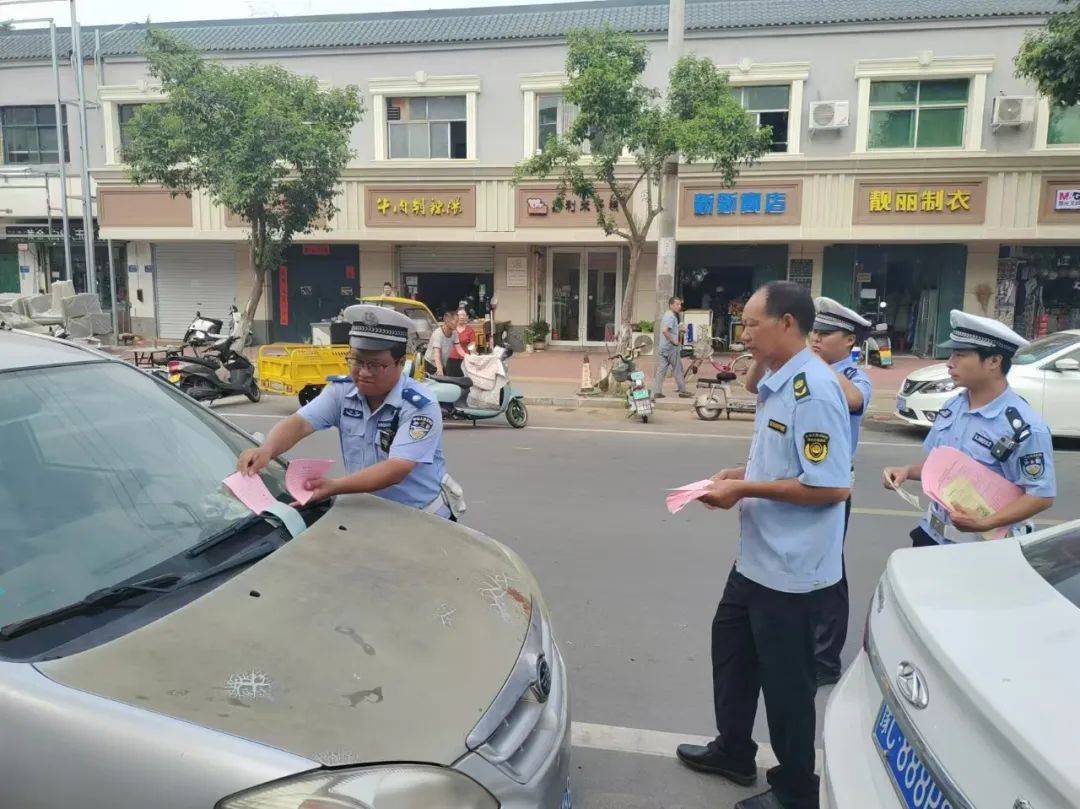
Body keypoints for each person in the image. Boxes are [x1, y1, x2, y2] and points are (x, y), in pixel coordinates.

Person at [676, 281, 851, 809]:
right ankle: (733, 751)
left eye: (753, 324)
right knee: (731, 655)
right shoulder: (781, 378)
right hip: (756, 559)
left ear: (789, 325)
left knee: (787, 687)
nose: (743, 333)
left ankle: (796, 789)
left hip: (792, 573)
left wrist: (744, 488)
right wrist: (740, 472)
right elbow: (781, 456)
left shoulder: (815, 391)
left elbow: (830, 486)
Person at [236, 305, 458, 519]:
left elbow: (397, 469)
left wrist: (334, 487)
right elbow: (300, 423)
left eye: (374, 365)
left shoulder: (420, 405)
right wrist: (266, 450)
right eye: (356, 361)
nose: (362, 372)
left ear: (400, 363)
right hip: (370, 514)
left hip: (420, 517)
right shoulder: (342, 392)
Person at [883, 310, 1055, 546]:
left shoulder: (1024, 426)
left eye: (961, 355)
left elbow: (1041, 496)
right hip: (933, 536)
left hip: (983, 548)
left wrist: (988, 522)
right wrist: (906, 472)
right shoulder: (954, 406)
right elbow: (945, 468)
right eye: (952, 353)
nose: (949, 363)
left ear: (994, 361)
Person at [807, 297, 872, 688]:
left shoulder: (855, 375)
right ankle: (806, 649)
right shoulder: (810, 370)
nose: (815, 339)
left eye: (824, 333)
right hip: (803, 484)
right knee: (807, 567)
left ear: (848, 340)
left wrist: (817, 363)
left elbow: (855, 400)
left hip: (832, 489)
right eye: (813, 332)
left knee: (829, 574)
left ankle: (825, 659)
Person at [653, 296, 692, 399]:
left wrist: (679, 330)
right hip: (671, 348)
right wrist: (674, 341)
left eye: (680, 304)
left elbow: (669, 330)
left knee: (661, 370)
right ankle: (682, 391)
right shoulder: (671, 316)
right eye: (677, 304)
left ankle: (657, 392)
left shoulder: (668, 314)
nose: (679, 306)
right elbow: (665, 330)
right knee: (678, 369)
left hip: (663, 347)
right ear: (671, 305)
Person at [424, 312, 460, 377]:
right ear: (447, 321)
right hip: (431, 363)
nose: (457, 324)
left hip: (442, 363)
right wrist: (439, 369)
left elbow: (459, 349)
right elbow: (436, 353)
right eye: (456, 321)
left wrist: (468, 357)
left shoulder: (454, 332)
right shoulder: (438, 333)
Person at [448, 307, 477, 377]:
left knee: (464, 381)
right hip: (450, 359)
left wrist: (473, 357)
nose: (462, 317)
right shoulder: (450, 329)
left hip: (464, 360)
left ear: (467, 317)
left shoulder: (470, 330)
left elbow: (472, 346)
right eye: (460, 315)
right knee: (451, 382)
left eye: (464, 315)